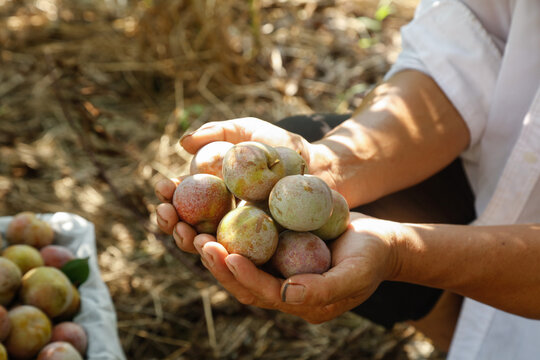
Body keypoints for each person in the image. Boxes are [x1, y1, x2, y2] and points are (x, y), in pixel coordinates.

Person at [155, 0, 540, 358]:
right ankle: (456, 336)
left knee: (353, 245)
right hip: (494, 167)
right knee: (310, 145)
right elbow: (471, 50)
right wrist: (330, 163)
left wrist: (400, 253)